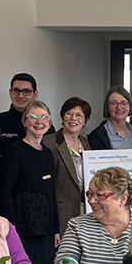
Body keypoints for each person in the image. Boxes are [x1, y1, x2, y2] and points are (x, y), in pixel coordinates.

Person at [0, 100, 59, 264]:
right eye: (33, 117)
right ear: (24, 122)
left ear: (49, 123)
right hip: (23, 229)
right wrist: (11, 227)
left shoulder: (48, 154)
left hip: (46, 229)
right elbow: (4, 191)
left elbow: (51, 193)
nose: (39, 121)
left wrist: (55, 230)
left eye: (44, 117)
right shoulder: (14, 151)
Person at [54, 167, 132, 264]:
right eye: (89, 194)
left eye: (100, 195)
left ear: (123, 199)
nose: (91, 200)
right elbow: (65, 258)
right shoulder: (78, 225)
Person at [43, 97, 92, 234]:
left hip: (86, 209)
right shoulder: (49, 143)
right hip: (60, 213)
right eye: (69, 113)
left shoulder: (86, 143)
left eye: (79, 115)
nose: (73, 118)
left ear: (85, 120)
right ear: (62, 116)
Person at [0, 72, 56, 159]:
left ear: (35, 94)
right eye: (16, 90)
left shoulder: (44, 126)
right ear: (10, 92)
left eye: (26, 91)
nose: (20, 96)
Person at [87, 86, 132, 150]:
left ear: (130, 106)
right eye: (113, 103)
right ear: (107, 107)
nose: (119, 107)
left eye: (124, 103)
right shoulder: (96, 136)